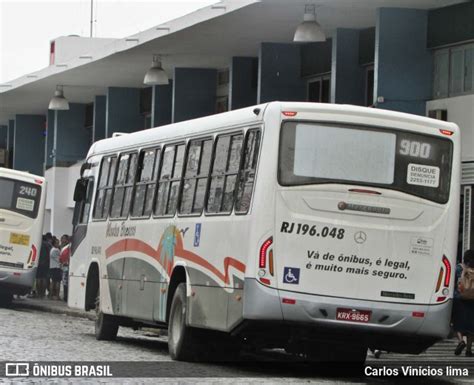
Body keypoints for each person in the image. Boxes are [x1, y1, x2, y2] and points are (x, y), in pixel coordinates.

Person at [453, 249, 474, 357]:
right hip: (472, 299)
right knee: (471, 325)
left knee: (458, 322)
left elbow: (452, 284)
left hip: (459, 298)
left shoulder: (458, 268)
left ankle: (461, 341)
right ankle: (469, 351)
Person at [59, 234, 71, 302]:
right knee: (65, 283)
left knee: (65, 283)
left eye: (64, 239)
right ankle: (66, 296)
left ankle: (66, 297)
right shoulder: (62, 247)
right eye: (62, 238)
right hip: (65, 266)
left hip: (66, 266)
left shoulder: (66, 248)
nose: (63, 240)